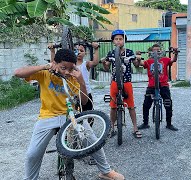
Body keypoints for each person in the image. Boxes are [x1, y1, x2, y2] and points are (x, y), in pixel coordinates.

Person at [14, 49, 124, 179]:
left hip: (72, 116)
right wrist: (45, 66)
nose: (67, 72)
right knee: (33, 153)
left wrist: (81, 81)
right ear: (55, 63)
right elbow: (17, 73)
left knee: (93, 141)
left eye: (70, 68)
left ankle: (105, 171)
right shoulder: (45, 73)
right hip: (47, 116)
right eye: (63, 67)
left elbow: (83, 102)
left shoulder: (74, 77)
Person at [101, 29, 142, 138]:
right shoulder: (111, 53)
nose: (118, 41)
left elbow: (136, 65)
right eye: (116, 39)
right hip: (115, 82)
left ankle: (135, 128)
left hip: (127, 82)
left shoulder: (129, 52)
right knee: (113, 107)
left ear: (124, 40)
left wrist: (138, 59)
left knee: (131, 106)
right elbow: (106, 68)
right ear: (113, 41)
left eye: (120, 39)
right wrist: (104, 63)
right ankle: (112, 128)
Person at [135, 44, 179, 131]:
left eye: (158, 50)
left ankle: (169, 124)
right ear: (150, 52)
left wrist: (176, 53)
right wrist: (139, 57)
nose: (156, 52)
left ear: (161, 51)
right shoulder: (148, 61)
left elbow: (173, 60)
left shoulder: (165, 60)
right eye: (154, 50)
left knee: (168, 103)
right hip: (151, 86)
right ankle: (145, 123)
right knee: (146, 105)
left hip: (163, 85)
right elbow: (140, 63)